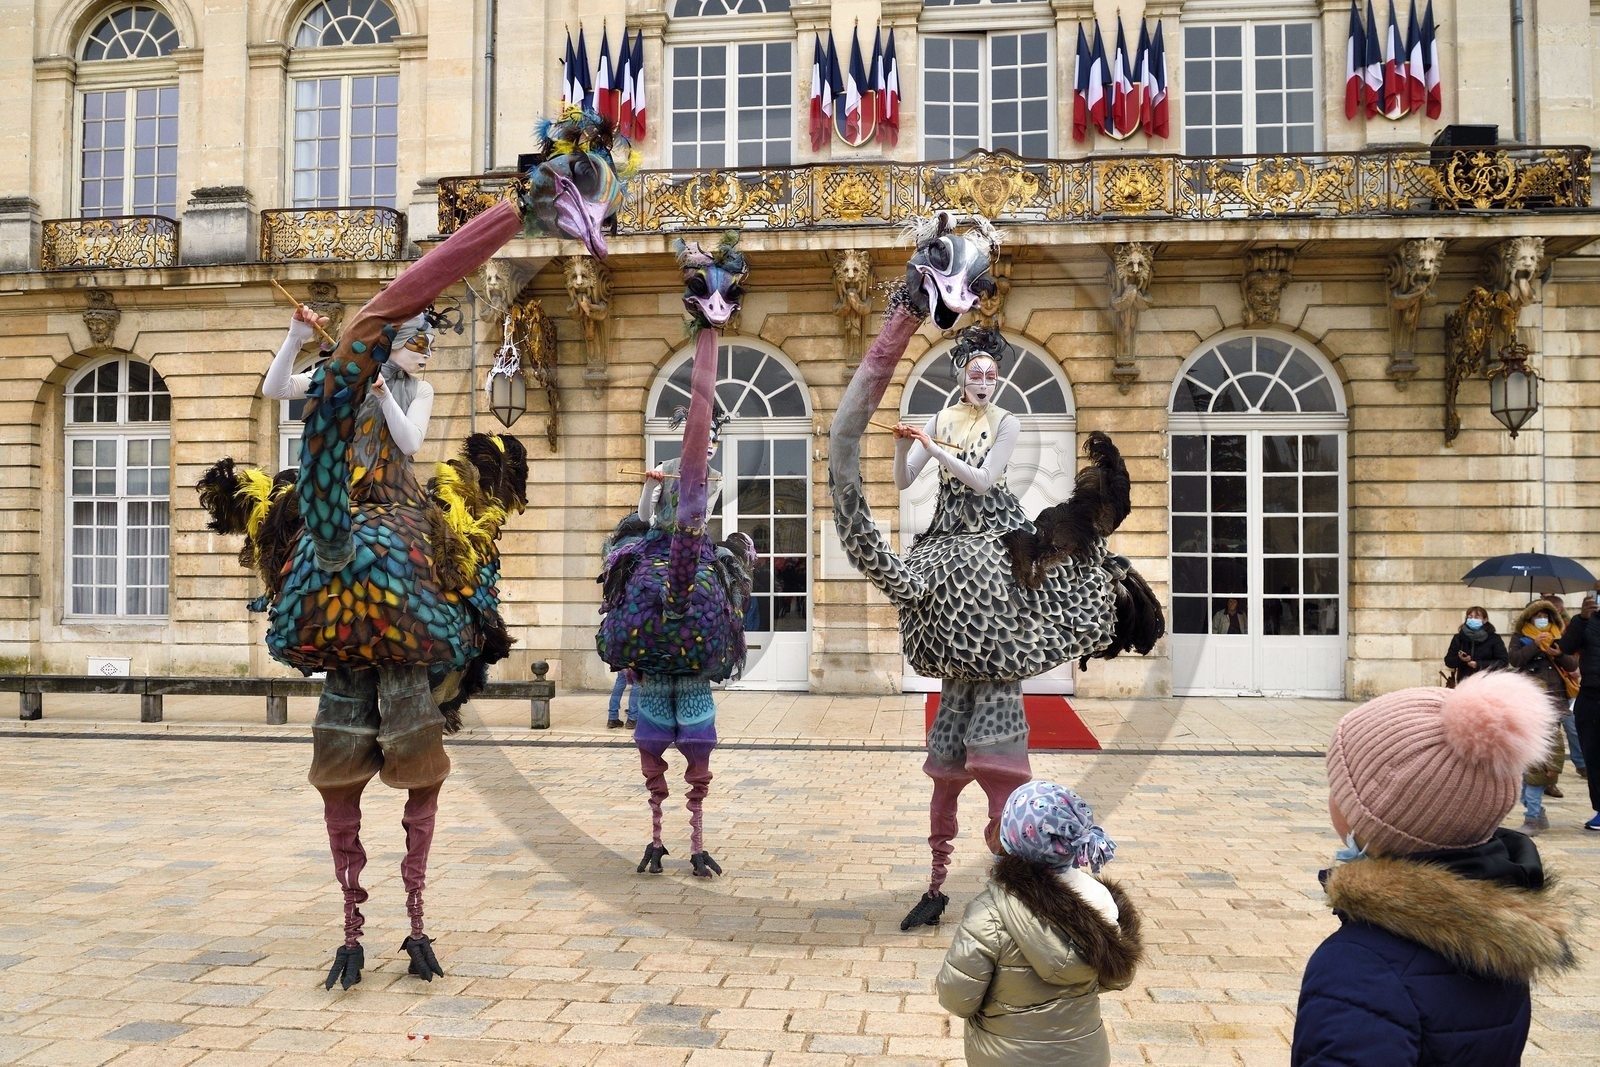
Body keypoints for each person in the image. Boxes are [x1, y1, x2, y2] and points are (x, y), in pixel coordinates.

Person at [1291, 672, 1575, 1065]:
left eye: (1340, 787)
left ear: (1373, 821)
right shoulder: (1499, 932)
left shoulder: (1360, 968)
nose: (1332, 795)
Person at [936, 781, 1142, 1067]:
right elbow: (1118, 976)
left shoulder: (988, 913)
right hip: (1083, 1056)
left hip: (1005, 1057)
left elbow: (957, 998)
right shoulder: (1102, 901)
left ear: (1011, 839)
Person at [1505, 600, 1575, 833]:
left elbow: (1573, 664)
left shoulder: (1560, 635)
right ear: (1529, 618)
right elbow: (1514, 660)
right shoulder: (1521, 637)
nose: (1542, 619)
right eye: (1538, 615)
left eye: (1546, 615)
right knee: (1527, 756)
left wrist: (1558, 653)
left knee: (1543, 753)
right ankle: (1534, 809)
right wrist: (1535, 645)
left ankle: (1533, 814)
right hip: (1528, 697)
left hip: (1554, 698)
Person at [1557, 591, 1600, 830]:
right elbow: (1566, 647)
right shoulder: (1584, 621)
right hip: (1591, 696)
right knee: (1593, 756)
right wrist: (1582, 619)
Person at [1443, 605, 1507, 683]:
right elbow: (1448, 662)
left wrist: (1478, 664)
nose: (1472, 619)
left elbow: (1503, 662)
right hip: (1464, 683)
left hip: (1488, 683)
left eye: (1476, 617)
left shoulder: (1494, 638)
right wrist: (1461, 659)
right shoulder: (1458, 637)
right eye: (1470, 617)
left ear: (1485, 620)